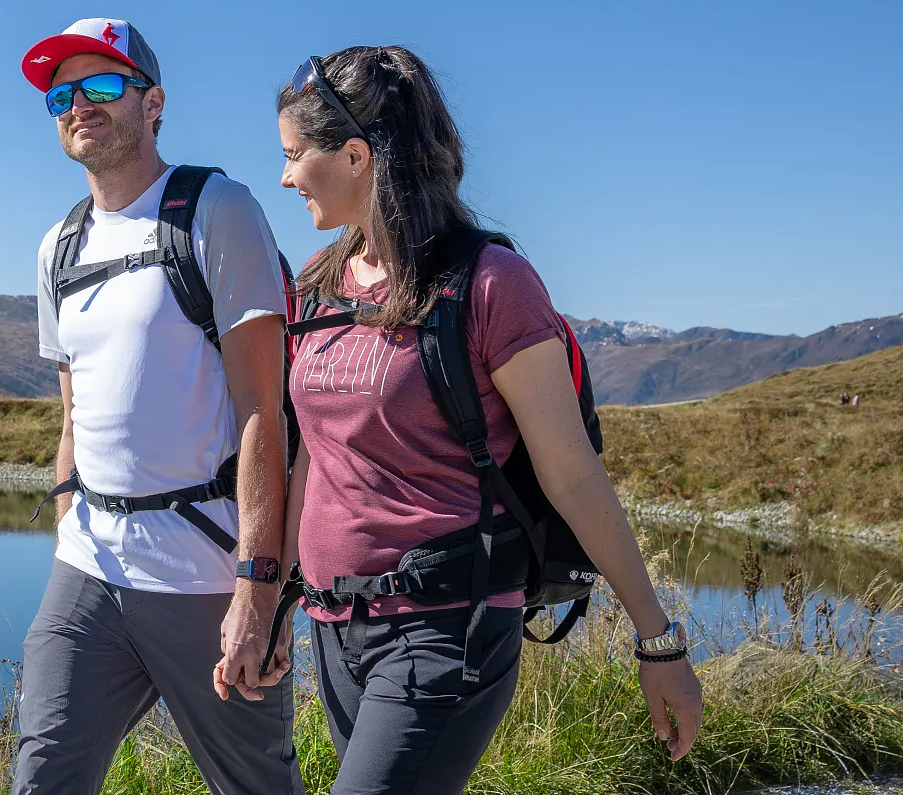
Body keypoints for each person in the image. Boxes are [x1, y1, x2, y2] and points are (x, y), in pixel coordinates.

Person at [272, 45, 704, 793]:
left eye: (292, 154)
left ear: (352, 157)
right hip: (334, 626)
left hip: (446, 627)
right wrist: (279, 594)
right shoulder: (317, 287)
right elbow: (313, 454)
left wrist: (657, 642)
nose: (283, 176)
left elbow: (572, 472)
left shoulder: (492, 283)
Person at [14, 18, 298, 795]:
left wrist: (260, 585)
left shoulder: (218, 209)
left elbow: (261, 411)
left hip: (205, 576)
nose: (80, 104)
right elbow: (74, 414)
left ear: (155, 101)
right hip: (89, 569)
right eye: (62, 93)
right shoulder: (57, 247)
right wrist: (69, 517)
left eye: (103, 85)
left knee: (258, 786)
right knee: (41, 777)